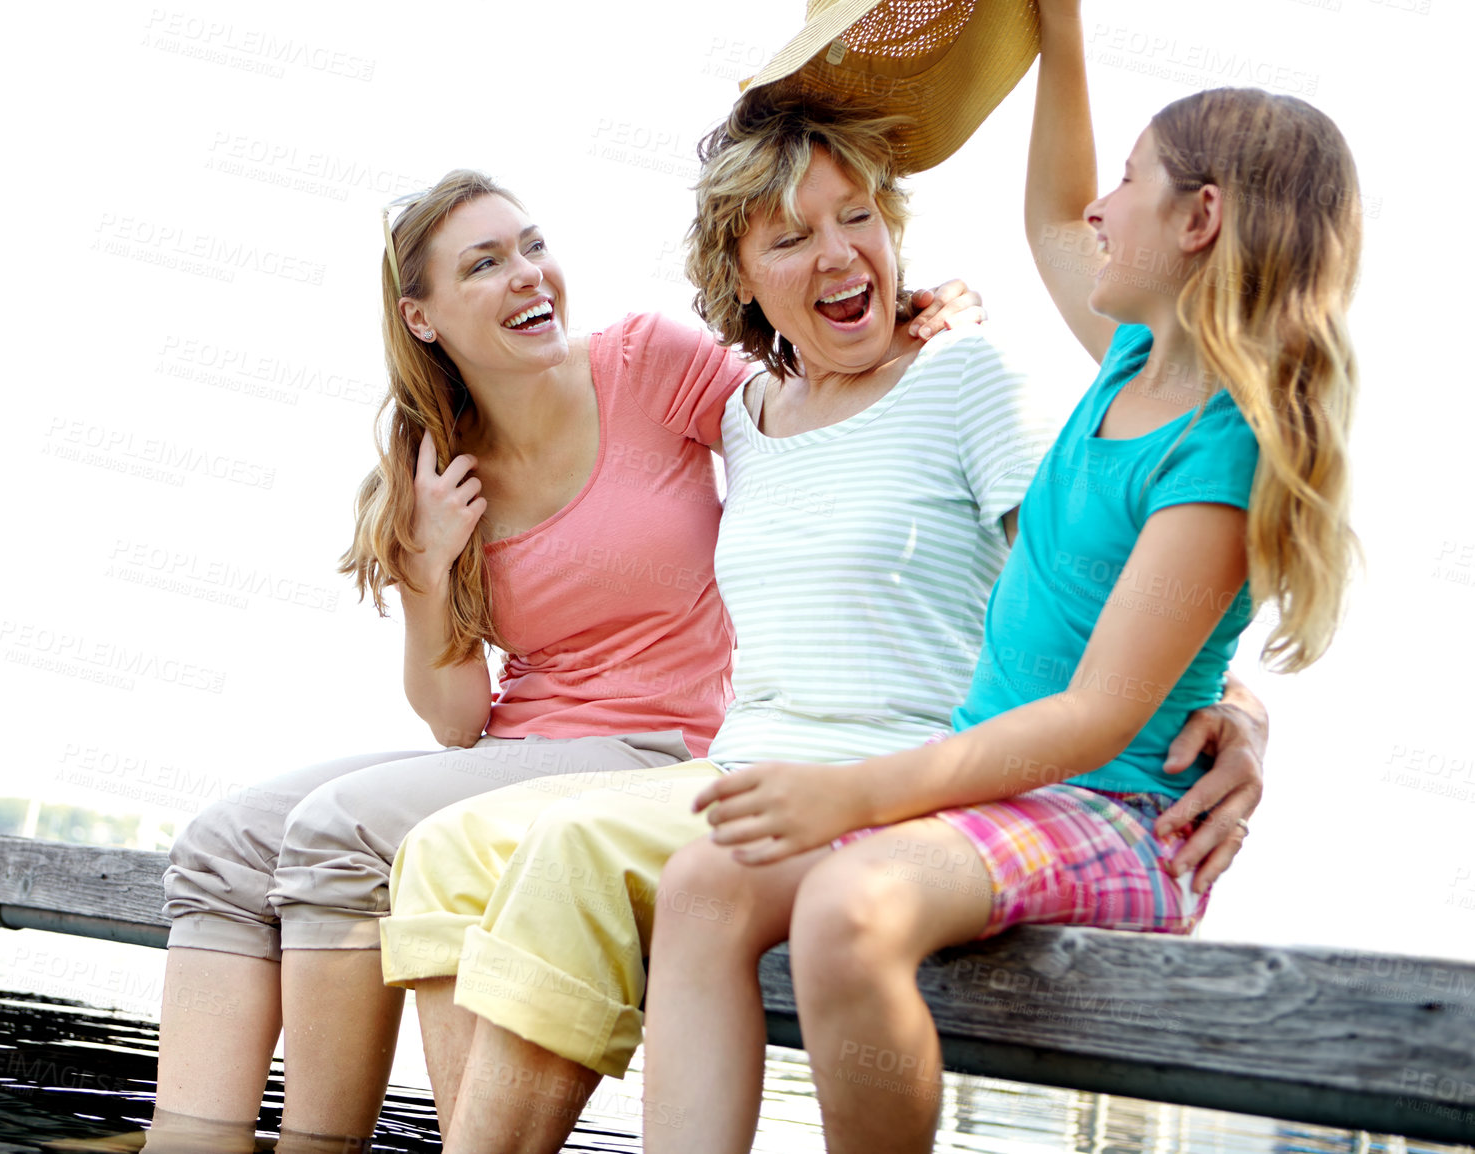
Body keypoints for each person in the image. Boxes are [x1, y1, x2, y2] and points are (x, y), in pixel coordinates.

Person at [377, 88, 1271, 1154]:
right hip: (743, 770)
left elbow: (1099, 580)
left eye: (857, 217)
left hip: (897, 776)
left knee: (573, 850)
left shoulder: (965, 378)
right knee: (439, 854)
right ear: (742, 279)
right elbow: (582, 436)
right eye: (791, 237)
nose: (838, 253)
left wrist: (1237, 702)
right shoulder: (747, 416)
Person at [641, 3, 1361, 1151]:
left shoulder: (1220, 446)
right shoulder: (1135, 353)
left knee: (843, 906)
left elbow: (1094, 717)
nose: (1096, 205)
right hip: (1001, 798)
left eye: (1130, 180)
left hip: (1114, 811)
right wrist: (1059, 29)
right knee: (705, 881)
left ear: (1198, 220)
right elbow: (1043, 207)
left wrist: (856, 793)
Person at [147, 169, 982, 1152]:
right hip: (515, 751)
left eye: (531, 246)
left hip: (663, 747)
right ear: (422, 317)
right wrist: (424, 567)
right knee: (220, 842)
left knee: (338, 830)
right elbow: (458, 719)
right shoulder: (434, 461)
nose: (527, 276)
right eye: (486, 264)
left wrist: (902, 340)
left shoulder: (645, 363)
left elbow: (799, 409)